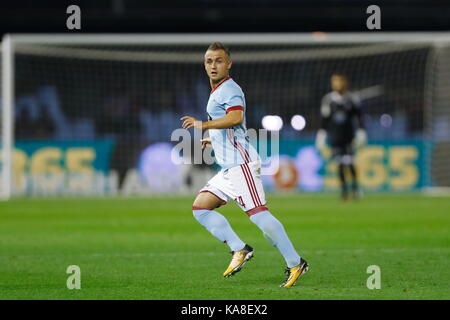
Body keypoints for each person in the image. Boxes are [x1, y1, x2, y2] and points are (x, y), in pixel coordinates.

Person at [181, 42, 308, 287]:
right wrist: (214, 140)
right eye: (209, 61)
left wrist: (203, 125)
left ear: (228, 63)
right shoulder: (217, 90)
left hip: (241, 164)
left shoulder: (230, 88)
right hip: (229, 167)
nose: (213, 65)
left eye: (219, 60)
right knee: (200, 208)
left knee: (259, 216)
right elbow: (232, 125)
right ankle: (239, 249)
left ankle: (295, 262)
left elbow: (236, 117)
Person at [315, 73, 367, 200]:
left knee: (350, 163)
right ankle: (344, 191)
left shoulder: (352, 99)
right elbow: (324, 120)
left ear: (344, 83)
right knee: (339, 164)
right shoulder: (328, 100)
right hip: (335, 137)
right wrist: (321, 135)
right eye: (334, 82)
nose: (337, 84)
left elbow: (359, 117)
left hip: (349, 137)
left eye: (339, 81)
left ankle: (355, 189)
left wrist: (361, 132)